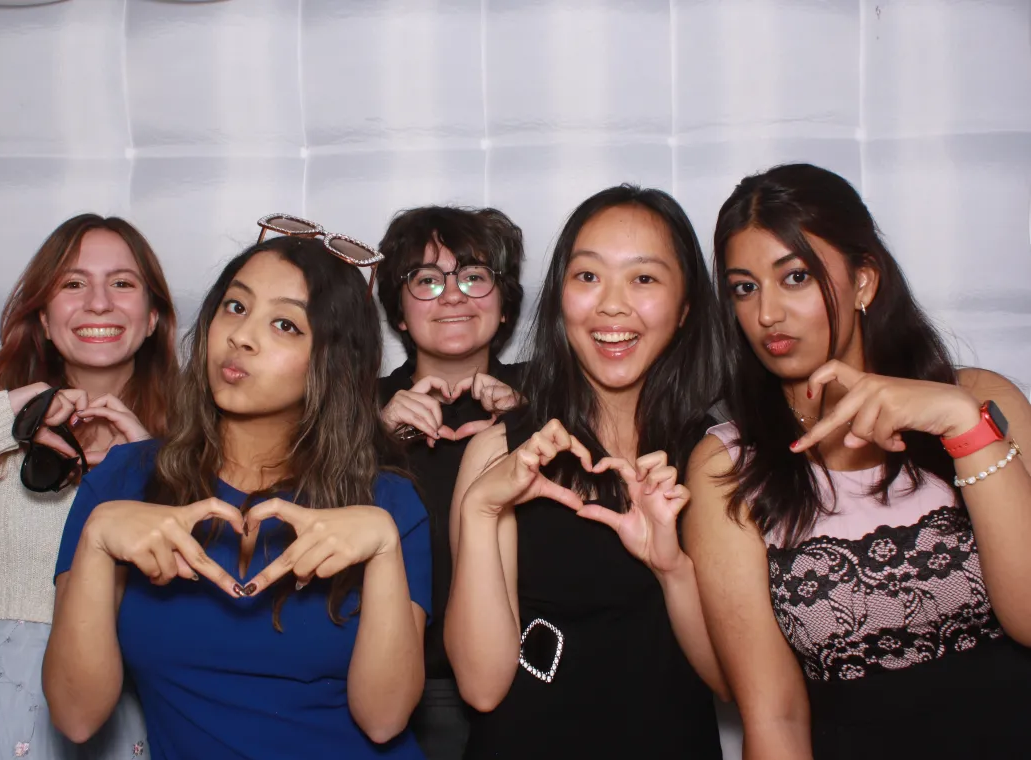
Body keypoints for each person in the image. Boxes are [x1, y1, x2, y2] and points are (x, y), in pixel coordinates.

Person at [685, 163, 1031, 760]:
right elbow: (776, 719)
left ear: (864, 281)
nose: (767, 313)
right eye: (744, 287)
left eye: (794, 277)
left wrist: (961, 425)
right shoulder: (726, 466)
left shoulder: (981, 401)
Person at [44, 228, 433, 760]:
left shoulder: (387, 503)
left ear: (334, 360)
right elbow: (75, 716)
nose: (241, 337)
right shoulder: (123, 481)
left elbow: (385, 721)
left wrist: (385, 548)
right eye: (234, 306)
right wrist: (95, 540)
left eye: (284, 324)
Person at [445, 186, 727, 758]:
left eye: (644, 279)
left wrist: (672, 569)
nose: (611, 306)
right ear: (559, 297)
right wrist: (481, 509)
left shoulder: (715, 458)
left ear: (686, 305)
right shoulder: (503, 449)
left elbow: (732, 682)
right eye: (588, 276)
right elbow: (480, 686)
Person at [0, 213, 177, 759]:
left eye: (122, 282)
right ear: (44, 319)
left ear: (152, 319)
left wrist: (149, 468)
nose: (99, 302)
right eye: (73, 284)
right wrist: (3, 413)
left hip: (128, 720)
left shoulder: (191, 450)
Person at [375, 206, 526, 760]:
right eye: (427, 280)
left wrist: (528, 421)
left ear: (503, 302)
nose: (453, 295)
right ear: (397, 312)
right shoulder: (354, 412)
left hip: (531, 684)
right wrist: (374, 436)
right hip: (385, 690)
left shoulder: (552, 398)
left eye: (474, 276)